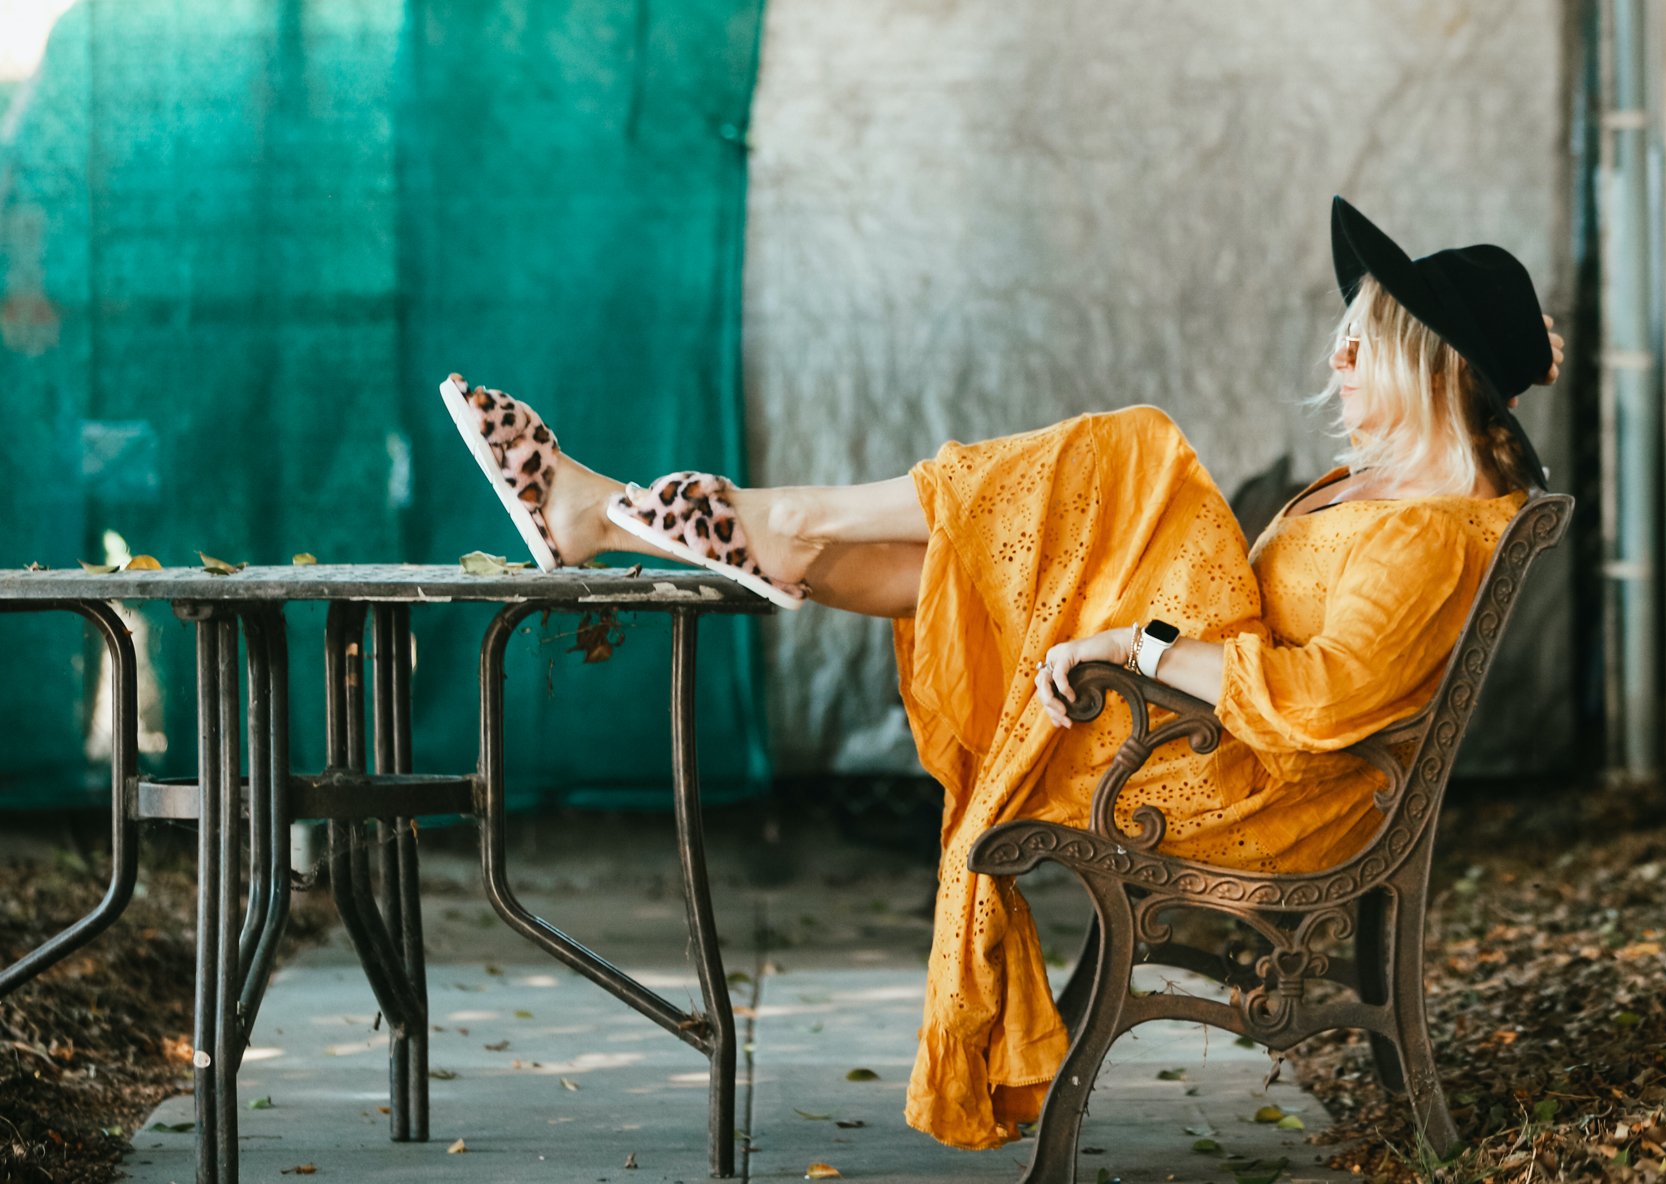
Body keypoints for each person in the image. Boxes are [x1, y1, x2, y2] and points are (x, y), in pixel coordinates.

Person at [439, 197, 1565, 1151]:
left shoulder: (1432, 532)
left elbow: (1313, 701)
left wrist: (1134, 645)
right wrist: (1132, 629)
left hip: (1248, 785)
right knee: (1048, 524)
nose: (1334, 358)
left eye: (1360, 342)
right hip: (1197, 731)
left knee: (1128, 451)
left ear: (1433, 363)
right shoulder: (1371, 493)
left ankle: (719, 515)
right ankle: (677, 521)